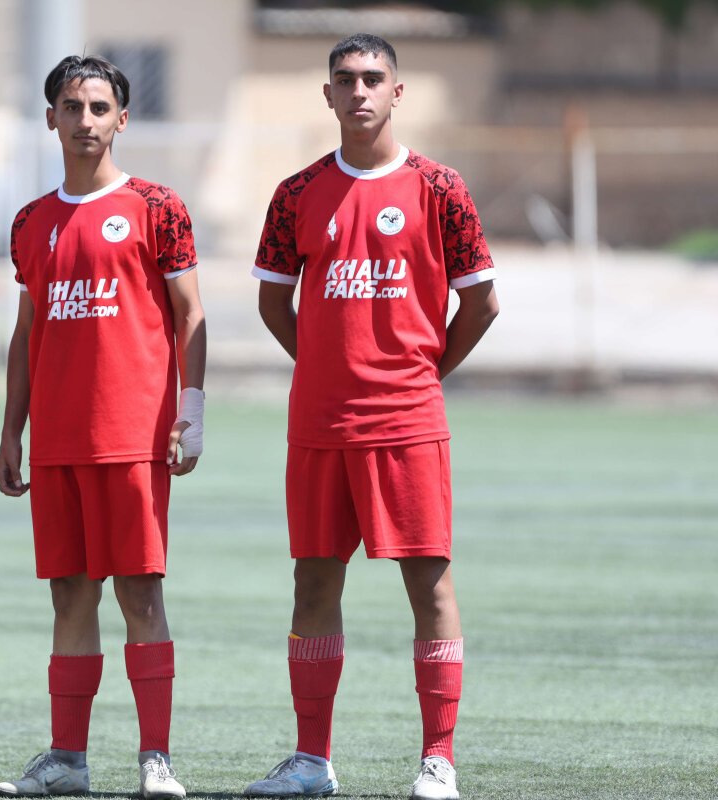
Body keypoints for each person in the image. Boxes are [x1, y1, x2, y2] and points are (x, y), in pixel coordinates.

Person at [244, 34, 499, 800]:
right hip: (320, 425)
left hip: (408, 421)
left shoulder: (440, 187)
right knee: (312, 585)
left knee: (430, 586)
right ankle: (311, 761)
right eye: (345, 79)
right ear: (327, 94)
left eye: (373, 78)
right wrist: (325, 366)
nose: (359, 91)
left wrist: (423, 371)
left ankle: (438, 761)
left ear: (397, 91)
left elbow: (482, 303)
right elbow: (272, 300)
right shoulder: (296, 193)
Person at [0, 55, 207, 800]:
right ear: (51, 117)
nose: (85, 120)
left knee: (140, 597)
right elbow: (27, 332)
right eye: (71, 106)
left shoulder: (157, 206)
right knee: (69, 597)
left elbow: (190, 314)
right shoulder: (30, 221)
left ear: (122, 118)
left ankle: (157, 760)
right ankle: (67, 760)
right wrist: (12, 430)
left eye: (98, 107)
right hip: (58, 441)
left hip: (133, 439)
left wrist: (191, 410)